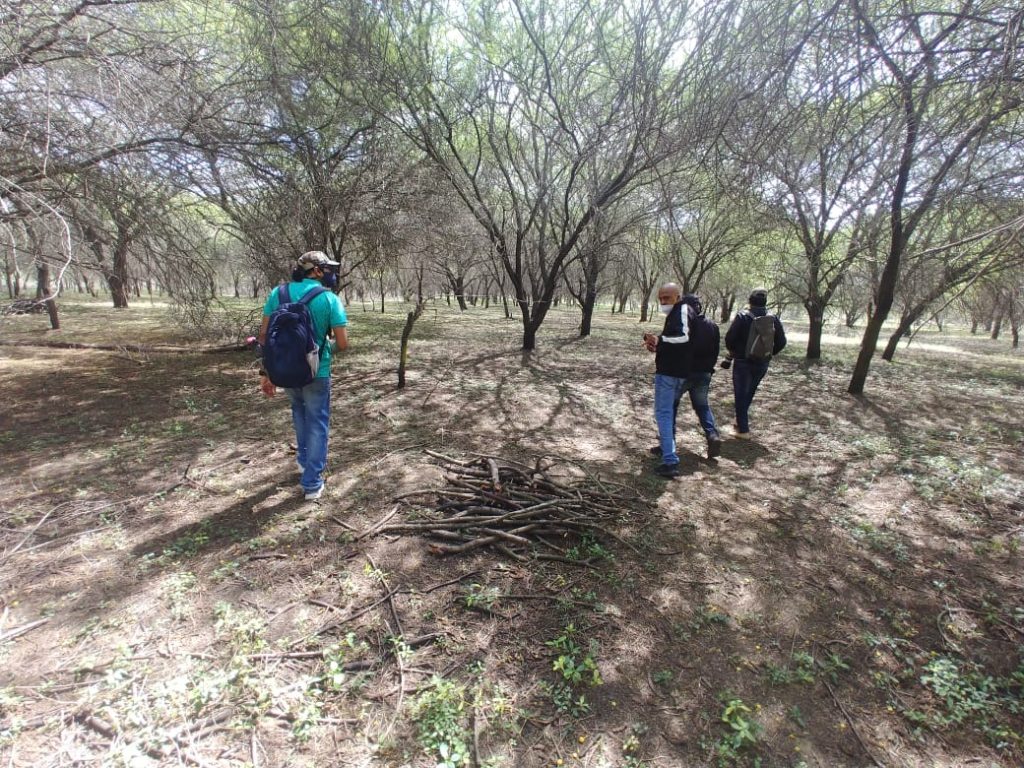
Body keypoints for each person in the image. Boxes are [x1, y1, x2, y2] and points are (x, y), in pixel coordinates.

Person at [258, 251, 349, 500]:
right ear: (317, 271)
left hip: (285, 369)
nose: (331, 273)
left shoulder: (279, 294)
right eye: (327, 269)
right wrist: (323, 349)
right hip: (317, 372)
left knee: (299, 413)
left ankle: (303, 461)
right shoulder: (329, 299)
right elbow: (343, 342)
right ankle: (311, 484)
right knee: (318, 422)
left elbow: (264, 336)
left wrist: (266, 373)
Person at [642, 284, 722, 478]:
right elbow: (679, 345)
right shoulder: (691, 317)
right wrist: (658, 347)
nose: (663, 302)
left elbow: (682, 339)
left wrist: (660, 341)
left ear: (678, 297)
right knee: (685, 409)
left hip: (673, 374)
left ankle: (670, 460)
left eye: (667, 298)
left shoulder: (683, 311)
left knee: (664, 414)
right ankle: (672, 448)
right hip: (690, 373)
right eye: (660, 298)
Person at [721, 287, 786, 439]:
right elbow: (782, 341)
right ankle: (739, 423)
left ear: (750, 300)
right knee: (749, 393)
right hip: (762, 362)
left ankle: (743, 430)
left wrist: (734, 352)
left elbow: (730, 338)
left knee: (740, 395)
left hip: (743, 362)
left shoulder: (743, 316)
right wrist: (769, 353)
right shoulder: (773, 318)